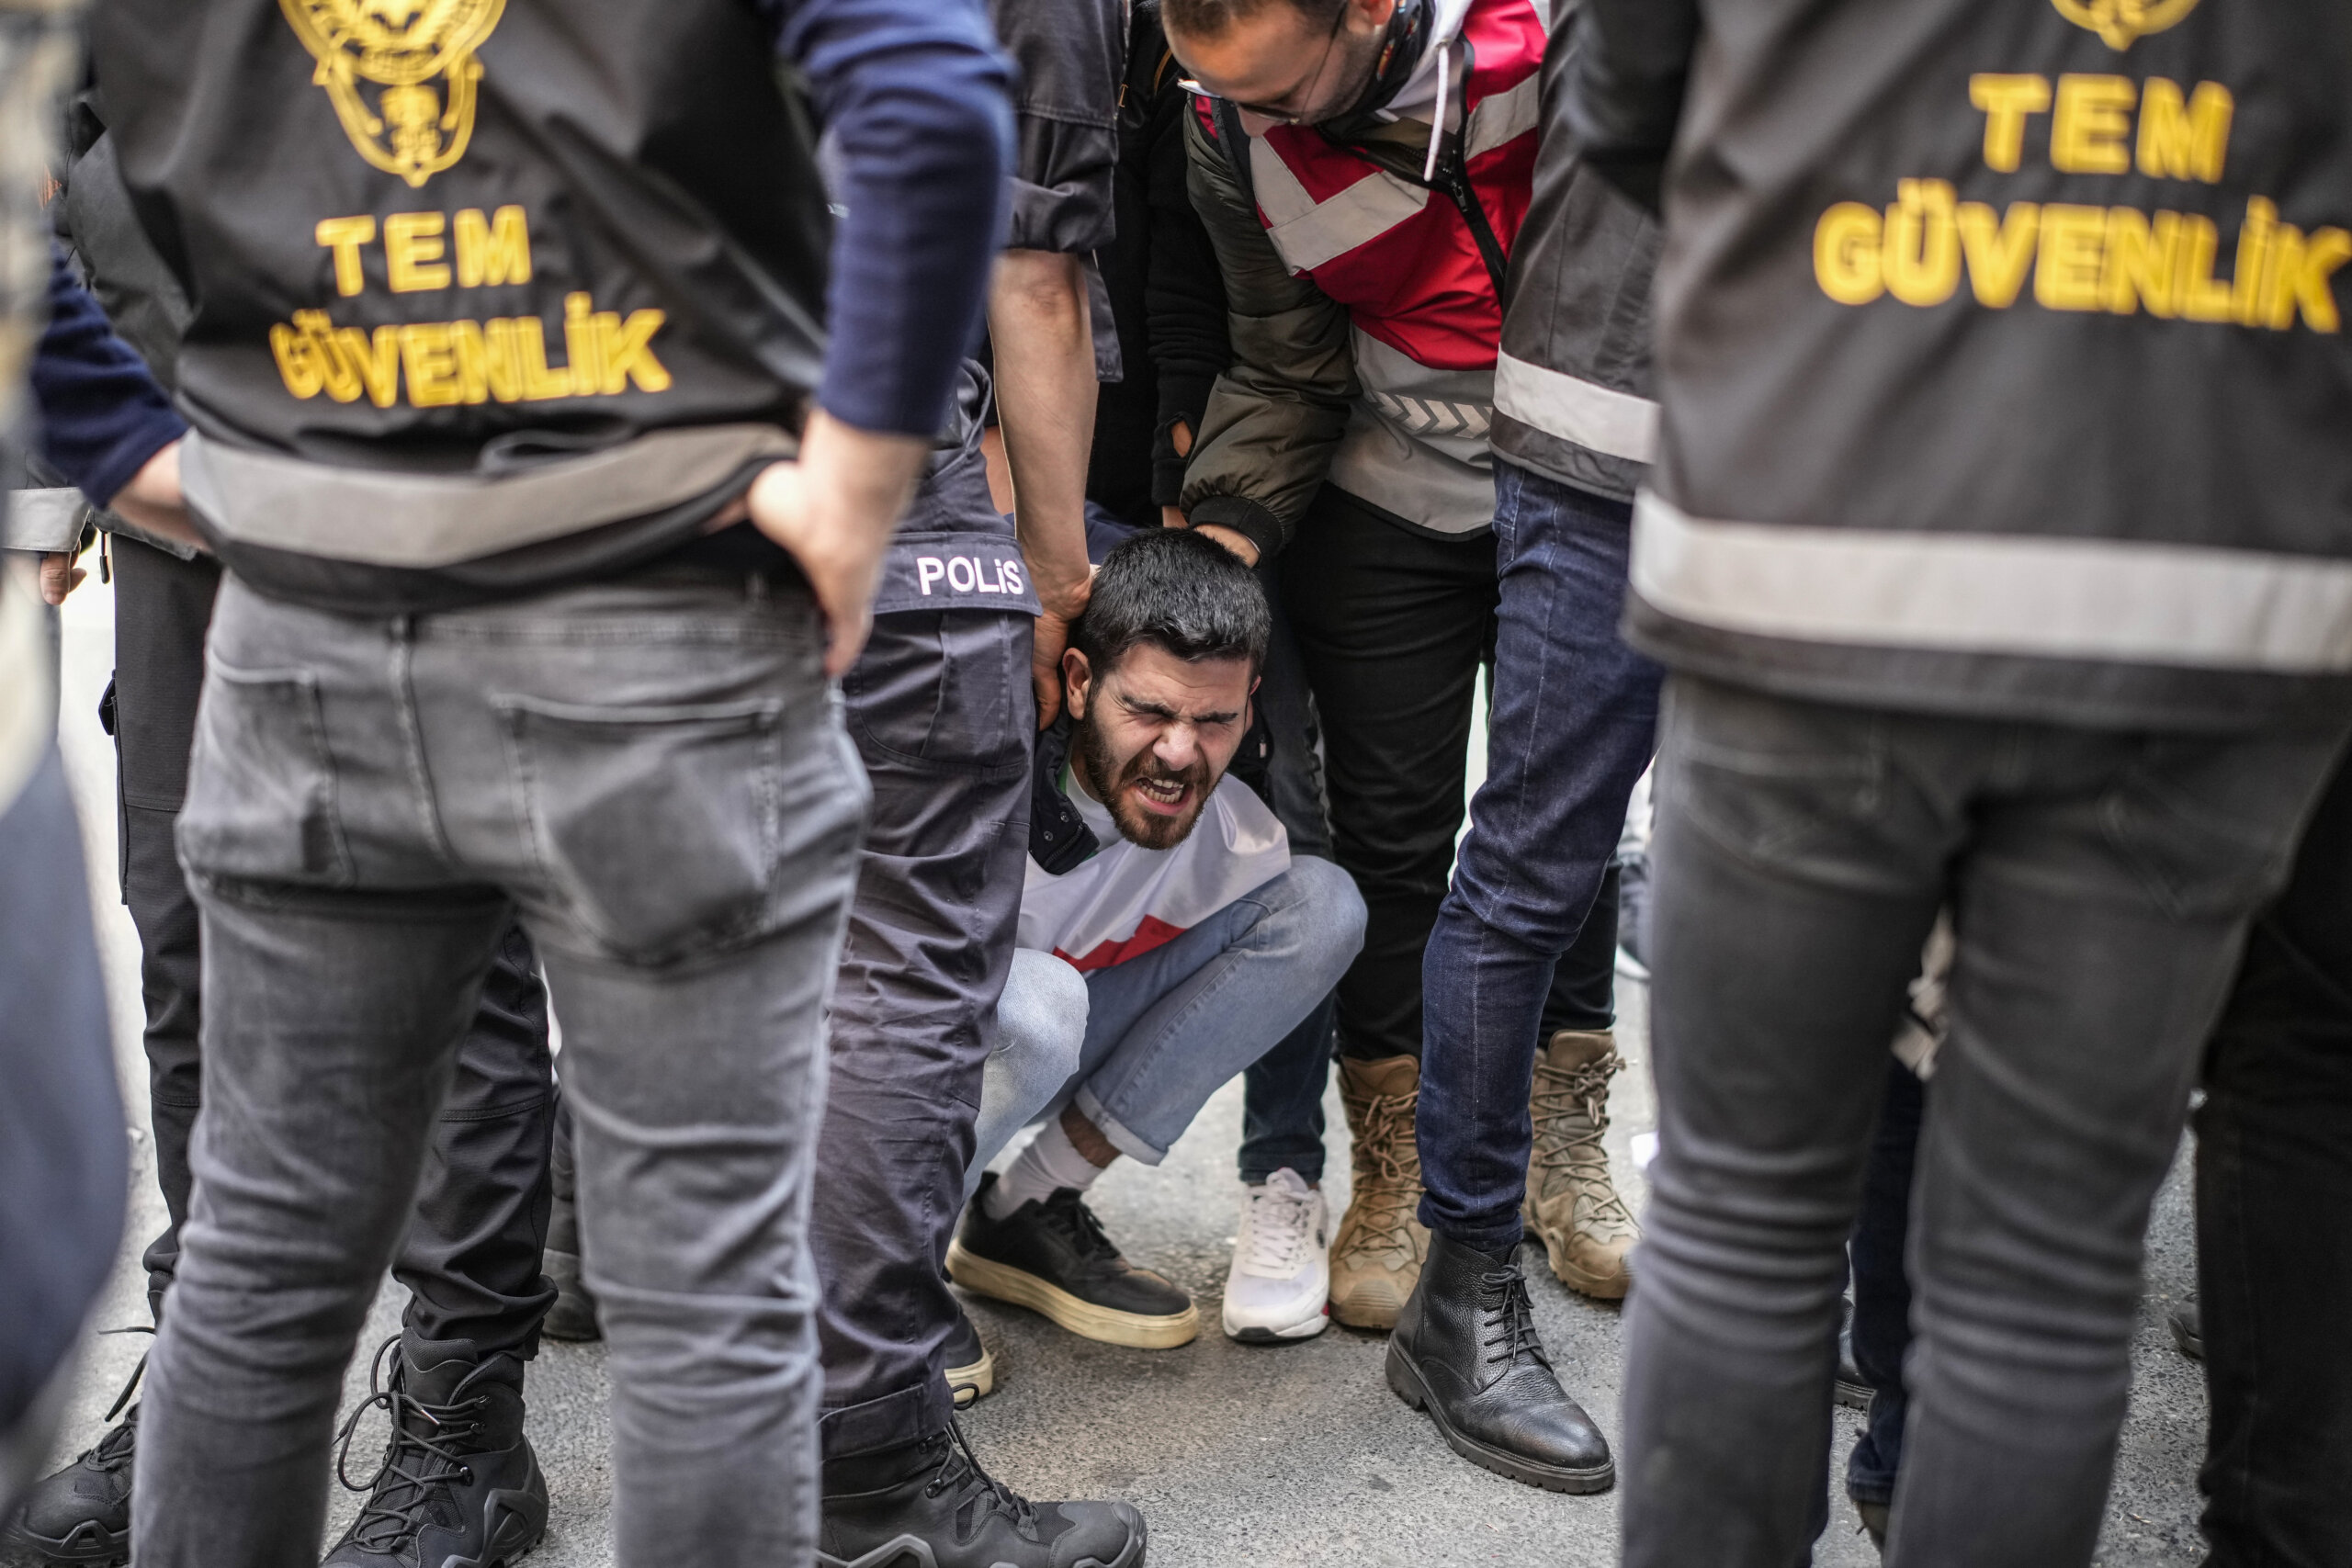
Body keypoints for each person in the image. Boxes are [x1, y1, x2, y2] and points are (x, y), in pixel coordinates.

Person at [92, 1, 1012, 1563]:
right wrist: (860, 485)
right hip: (655, 604)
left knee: (261, 1275)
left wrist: (112, 440)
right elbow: (933, 94)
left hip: (319, 601)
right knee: (706, 1304)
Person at [1564, 0, 2352, 1562]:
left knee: (1743, 1221)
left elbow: (1630, 97)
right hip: (2202, 564)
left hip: (1826, 522)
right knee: (2043, 1274)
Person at [6, 131, 571, 1568]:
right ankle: (208, 1382)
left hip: (441, 476)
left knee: (451, 959)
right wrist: (37, 495)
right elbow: (51, 149)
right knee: (192, 943)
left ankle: (466, 1425)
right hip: (175, 473)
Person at [1162, 0, 1640, 1357]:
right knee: (1390, 839)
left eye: (1282, 91)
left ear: (1371, 14)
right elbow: (1282, 358)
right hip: (1386, 508)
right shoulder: (1224, 123)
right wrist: (1223, 543)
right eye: (1218, 89)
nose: (1257, 119)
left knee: (1566, 814)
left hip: (1587, 488)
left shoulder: (1547, 41)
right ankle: (1398, 1167)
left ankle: (1563, 1136)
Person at [948, 527, 1366, 1348]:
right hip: (862, 1077)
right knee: (1038, 1001)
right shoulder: (971, 779)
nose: (1178, 752)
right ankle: (874, 1267)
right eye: (1148, 710)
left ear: (1248, 711)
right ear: (1077, 683)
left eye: (1212, 720)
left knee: (1322, 905)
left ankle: (1024, 1208)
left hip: (1050, 1045)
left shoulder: (1240, 834)